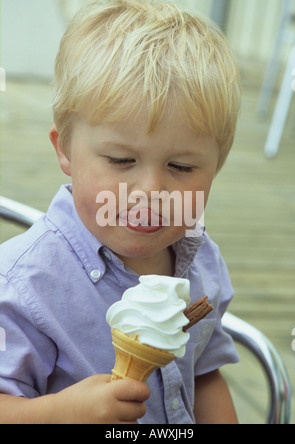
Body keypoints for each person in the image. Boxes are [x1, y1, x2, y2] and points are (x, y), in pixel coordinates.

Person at [0, 0, 241, 424]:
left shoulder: (202, 261)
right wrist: (60, 412)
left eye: (181, 167)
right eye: (120, 160)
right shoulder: (25, 287)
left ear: (217, 166)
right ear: (65, 150)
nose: (150, 191)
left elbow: (204, 375)